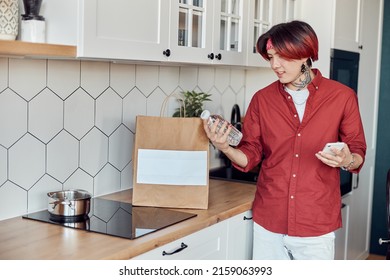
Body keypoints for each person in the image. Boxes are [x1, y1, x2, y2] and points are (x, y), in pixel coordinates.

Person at [202, 20, 366, 260]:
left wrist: (347, 158)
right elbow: (251, 154)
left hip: (316, 221)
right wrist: (224, 146)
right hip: (270, 219)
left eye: (283, 57)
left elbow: (358, 152)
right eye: (270, 57)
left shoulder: (342, 97)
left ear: (305, 54)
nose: (275, 65)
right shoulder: (262, 100)